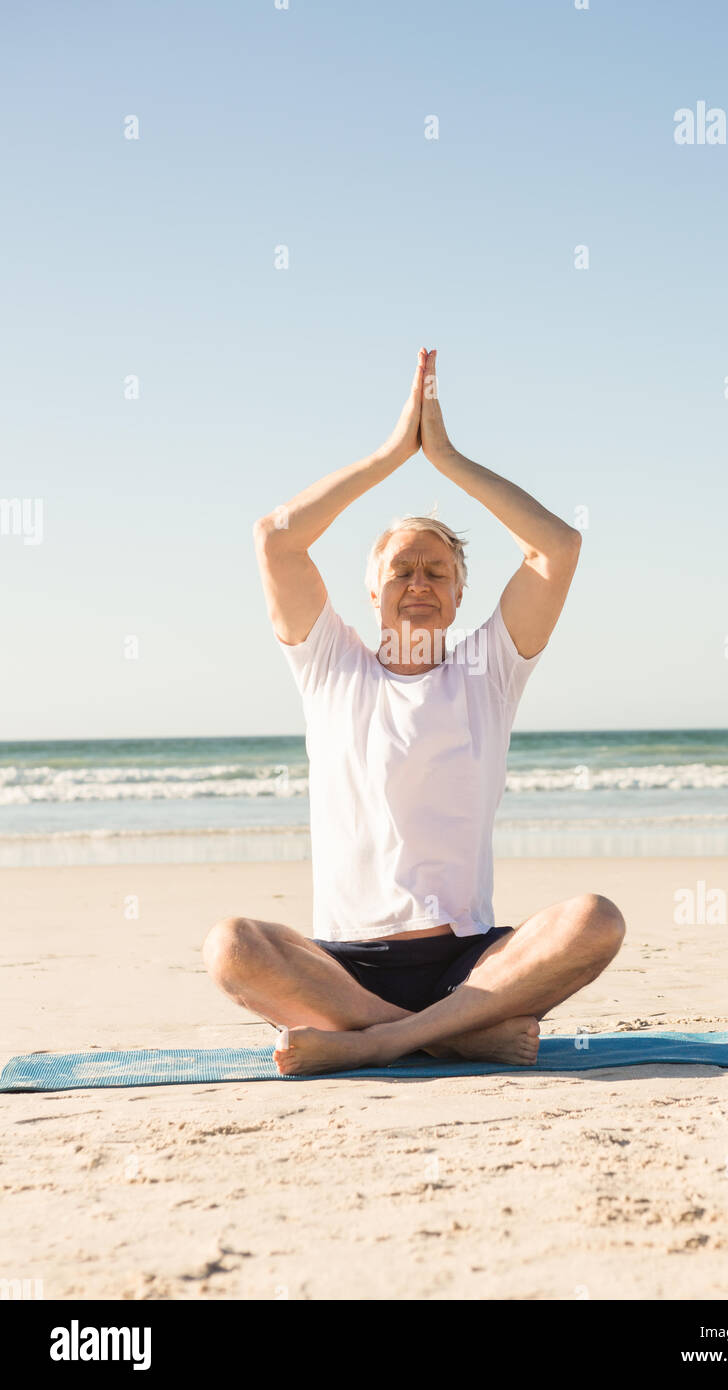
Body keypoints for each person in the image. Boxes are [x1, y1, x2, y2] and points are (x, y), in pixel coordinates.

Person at [203, 348, 625, 1075]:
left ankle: (389, 1042)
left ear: (461, 597)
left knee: (595, 920)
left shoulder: (485, 672)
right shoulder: (330, 665)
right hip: (345, 970)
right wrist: (395, 452)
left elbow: (557, 547)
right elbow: (276, 536)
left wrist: (449, 457)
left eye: (438, 572)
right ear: (372, 591)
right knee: (231, 946)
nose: (419, 583)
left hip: (471, 966)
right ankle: (448, 1037)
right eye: (402, 569)